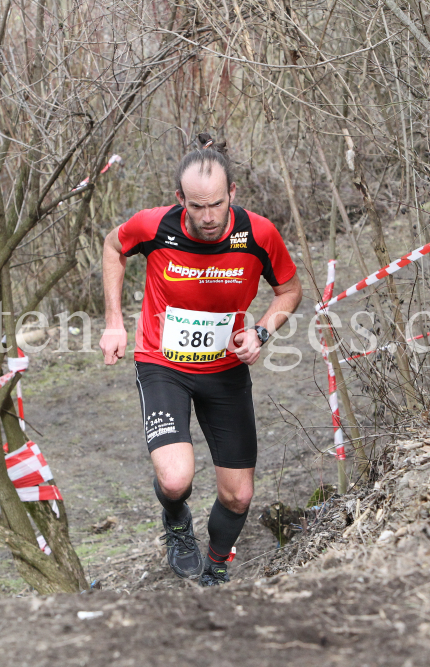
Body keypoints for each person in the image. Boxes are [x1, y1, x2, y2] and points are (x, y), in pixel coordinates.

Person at [99, 132, 302, 586]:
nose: (208, 218)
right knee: (175, 480)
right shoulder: (154, 226)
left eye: (215, 204)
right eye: (196, 206)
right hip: (162, 363)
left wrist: (263, 331)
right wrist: (114, 320)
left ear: (233, 193)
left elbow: (290, 290)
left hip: (226, 371)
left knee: (238, 496)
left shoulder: (258, 234)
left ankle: (215, 565)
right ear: (180, 200)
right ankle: (176, 523)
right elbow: (113, 246)